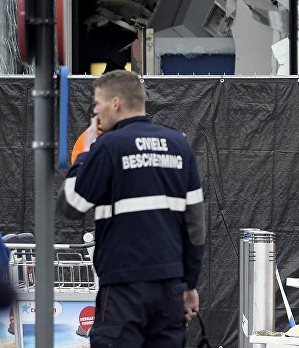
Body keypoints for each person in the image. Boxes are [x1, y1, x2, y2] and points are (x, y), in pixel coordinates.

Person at [57, 70, 205, 347]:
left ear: (115, 103)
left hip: (124, 287)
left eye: (97, 104)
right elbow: (195, 227)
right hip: (170, 286)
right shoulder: (179, 146)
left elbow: (71, 205)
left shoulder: (108, 146)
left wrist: (85, 153)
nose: (95, 111)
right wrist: (190, 284)